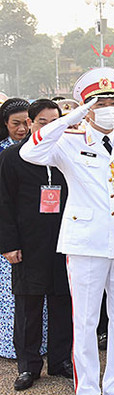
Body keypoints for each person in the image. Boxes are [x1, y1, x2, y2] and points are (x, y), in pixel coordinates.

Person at [20, 68, 114, 395]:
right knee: (86, 321)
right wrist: (73, 116)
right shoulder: (69, 141)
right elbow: (30, 153)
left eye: (113, 101)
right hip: (86, 243)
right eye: (101, 102)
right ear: (88, 107)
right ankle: (88, 391)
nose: (110, 108)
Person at [0, 99, 70, 391]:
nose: (50, 128)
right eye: (43, 122)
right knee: (29, 306)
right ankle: (28, 366)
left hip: (64, 241)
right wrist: (9, 243)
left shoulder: (68, 154)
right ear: (30, 123)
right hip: (27, 244)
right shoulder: (14, 156)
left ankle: (60, 360)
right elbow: (4, 203)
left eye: (56, 122)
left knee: (63, 303)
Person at [0, 98, 31, 360]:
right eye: (15, 124)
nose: (22, 129)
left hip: (34, 234)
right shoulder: (3, 152)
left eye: (26, 123)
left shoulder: (40, 149)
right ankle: (10, 346)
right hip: (8, 231)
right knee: (10, 297)